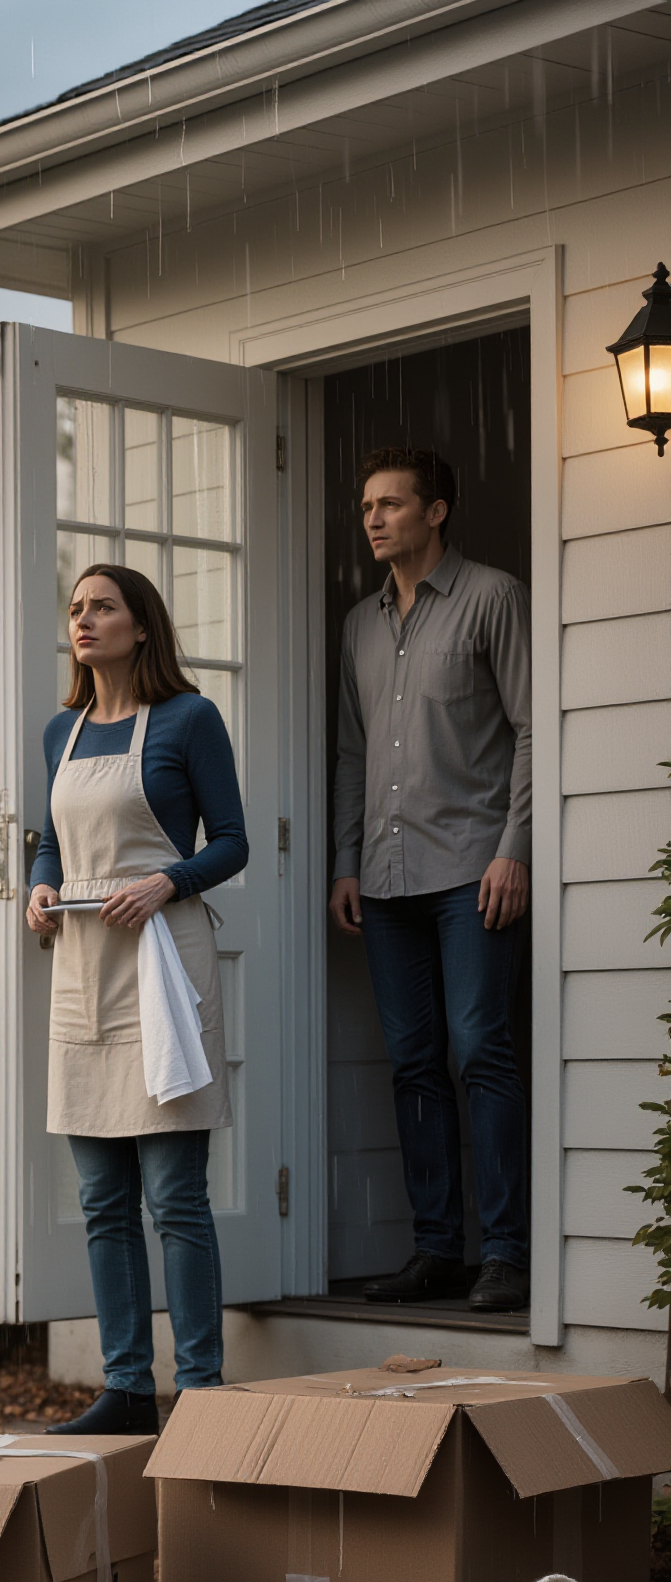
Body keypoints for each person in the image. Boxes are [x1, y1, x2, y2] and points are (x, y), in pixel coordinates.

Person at [25, 565, 247, 1436]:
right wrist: (44, 891)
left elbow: (229, 841)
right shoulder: (60, 732)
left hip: (161, 965)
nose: (84, 620)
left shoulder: (191, 720)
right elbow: (51, 842)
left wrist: (166, 882)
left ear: (141, 624)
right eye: (76, 609)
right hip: (83, 968)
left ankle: (199, 1391)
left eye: (101, 607)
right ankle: (125, 1388)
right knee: (102, 1201)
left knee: (174, 1196)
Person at [330, 448, 530, 1313]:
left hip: (473, 872)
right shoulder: (358, 625)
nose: (374, 519)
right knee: (412, 1064)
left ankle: (508, 1256)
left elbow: (533, 728)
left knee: (480, 1052)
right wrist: (345, 861)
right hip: (385, 878)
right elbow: (350, 750)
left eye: (392, 505)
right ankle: (436, 1250)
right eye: (367, 506)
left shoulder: (493, 597)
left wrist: (514, 846)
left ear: (437, 511)